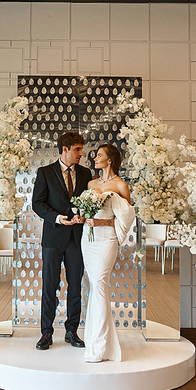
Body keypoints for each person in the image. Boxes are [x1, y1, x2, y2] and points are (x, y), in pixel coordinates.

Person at [32, 131, 92, 350]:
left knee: (75, 286)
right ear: (65, 149)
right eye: (77, 149)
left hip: (77, 238)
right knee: (50, 286)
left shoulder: (86, 174)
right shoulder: (45, 172)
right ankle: (46, 333)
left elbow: (88, 203)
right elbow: (37, 203)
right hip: (53, 237)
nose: (81, 154)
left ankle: (72, 331)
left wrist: (83, 215)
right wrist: (57, 218)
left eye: (81, 150)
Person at [81, 143, 135, 363]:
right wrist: (82, 217)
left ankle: (101, 347)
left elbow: (127, 217)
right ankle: (95, 340)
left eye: (99, 155)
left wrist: (101, 220)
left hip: (106, 240)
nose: (95, 158)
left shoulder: (121, 185)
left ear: (109, 160)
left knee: (101, 285)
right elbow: (85, 211)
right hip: (88, 239)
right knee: (95, 287)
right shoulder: (91, 183)